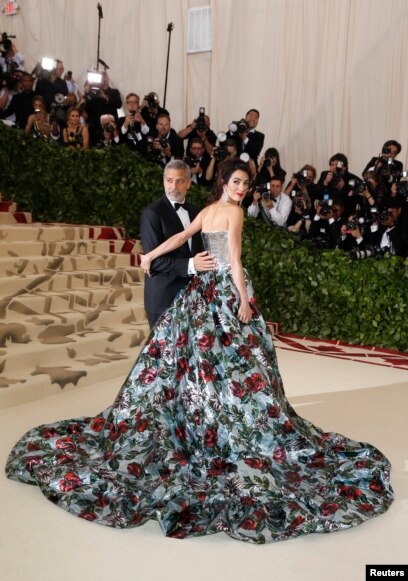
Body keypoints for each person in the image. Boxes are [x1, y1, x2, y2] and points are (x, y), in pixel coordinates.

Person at [5, 158, 393, 543]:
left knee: (203, 363)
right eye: (237, 182)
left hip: (200, 291)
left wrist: (150, 255)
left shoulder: (207, 210)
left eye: (246, 184)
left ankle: (204, 416)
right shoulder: (233, 215)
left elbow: (178, 240)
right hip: (222, 290)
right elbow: (235, 260)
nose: (241, 189)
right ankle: (221, 421)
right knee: (236, 365)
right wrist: (243, 299)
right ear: (224, 181)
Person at [140, 160, 215, 328]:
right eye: (169, 180)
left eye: (179, 181)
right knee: (163, 354)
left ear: (189, 183)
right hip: (163, 298)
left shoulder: (196, 212)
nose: (173, 186)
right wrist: (191, 264)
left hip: (192, 297)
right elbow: (154, 261)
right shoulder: (152, 213)